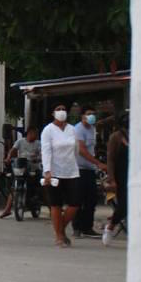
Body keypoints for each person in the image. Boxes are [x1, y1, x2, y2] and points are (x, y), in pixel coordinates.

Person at [41, 105, 105, 247]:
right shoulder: (48, 130)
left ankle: (60, 228)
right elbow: (46, 151)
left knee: (75, 203)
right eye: (58, 109)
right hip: (54, 172)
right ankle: (59, 236)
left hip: (72, 171)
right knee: (56, 204)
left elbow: (76, 149)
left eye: (63, 109)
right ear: (53, 113)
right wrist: (47, 171)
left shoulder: (71, 129)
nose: (61, 111)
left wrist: (73, 163)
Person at [73, 107, 104, 238]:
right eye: (89, 114)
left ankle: (87, 227)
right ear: (82, 116)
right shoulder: (78, 129)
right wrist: (99, 163)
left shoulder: (92, 129)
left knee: (91, 200)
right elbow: (82, 150)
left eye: (93, 114)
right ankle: (77, 228)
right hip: (79, 169)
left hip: (90, 169)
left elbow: (91, 149)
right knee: (78, 200)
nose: (92, 116)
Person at [0, 125, 40, 219]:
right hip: (20, 168)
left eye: (36, 134)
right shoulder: (20, 141)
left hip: (33, 169)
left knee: (42, 186)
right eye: (33, 133)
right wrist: (8, 158)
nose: (34, 135)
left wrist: (38, 158)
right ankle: (7, 209)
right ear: (29, 133)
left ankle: (51, 207)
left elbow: (42, 153)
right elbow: (13, 151)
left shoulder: (38, 143)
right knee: (14, 187)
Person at [102, 124, 129, 247]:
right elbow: (111, 159)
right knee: (124, 205)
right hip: (120, 176)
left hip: (135, 174)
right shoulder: (116, 137)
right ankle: (111, 226)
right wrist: (112, 179)